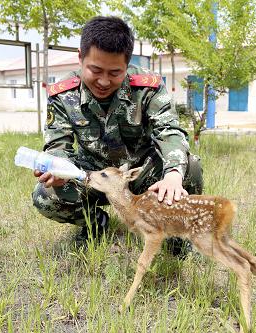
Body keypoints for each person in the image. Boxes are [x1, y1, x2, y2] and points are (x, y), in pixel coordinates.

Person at [32, 16, 203, 254]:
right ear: (80, 57)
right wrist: (58, 169)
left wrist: (173, 174)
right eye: (95, 70)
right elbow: (58, 144)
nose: (103, 81)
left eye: (114, 72)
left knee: (189, 167)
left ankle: (176, 234)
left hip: (141, 173)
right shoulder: (63, 93)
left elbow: (169, 130)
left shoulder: (147, 86)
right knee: (46, 195)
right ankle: (95, 225)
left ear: (127, 64)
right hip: (92, 175)